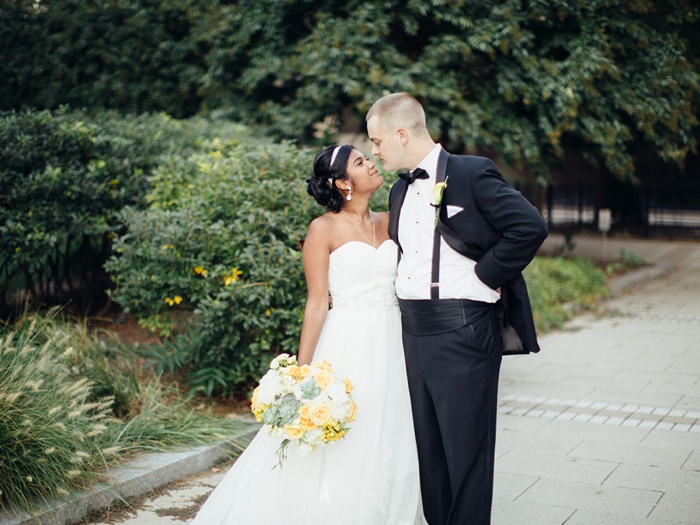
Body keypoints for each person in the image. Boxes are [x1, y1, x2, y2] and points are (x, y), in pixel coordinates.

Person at [190, 144, 425, 525]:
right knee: (350, 428)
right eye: (361, 162)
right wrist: (302, 371)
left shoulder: (390, 219)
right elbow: (317, 302)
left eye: (369, 157)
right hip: (349, 341)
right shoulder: (323, 229)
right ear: (343, 183)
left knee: (392, 430)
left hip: (395, 340)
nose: (373, 164)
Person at [365, 93, 548, 525]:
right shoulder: (399, 189)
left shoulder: (470, 172)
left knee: (467, 454)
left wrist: (483, 278)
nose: (374, 150)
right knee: (429, 453)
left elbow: (529, 226)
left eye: (377, 140)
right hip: (413, 335)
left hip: (464, 332)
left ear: (402, 133)